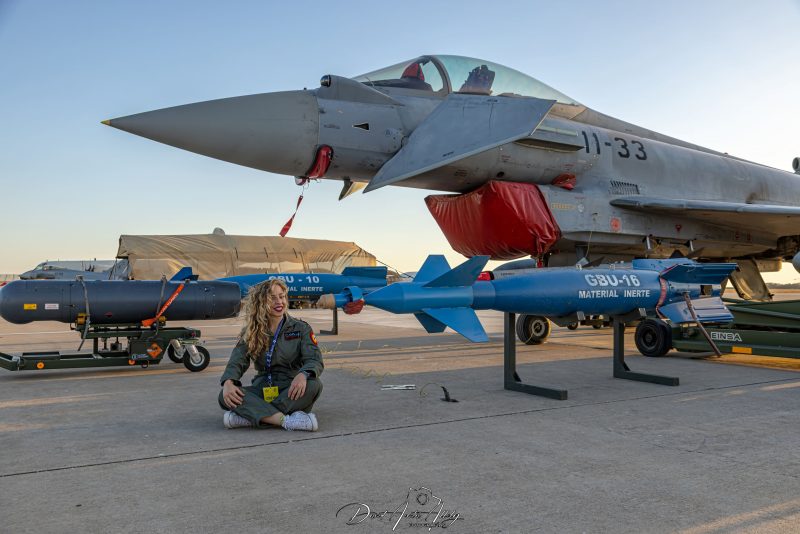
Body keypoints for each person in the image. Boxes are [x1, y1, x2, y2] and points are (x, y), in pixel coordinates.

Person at [218, 278, 323, 430]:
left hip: (291, 389)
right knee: (225, 396)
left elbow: (314, 359)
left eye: (282, 296)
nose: (279, 302)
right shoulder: (251, 331)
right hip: (263, 387)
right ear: (261, 302)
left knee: (314, 385)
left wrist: (303, 374)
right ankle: (285, 420)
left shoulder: (301, 328)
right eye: (272, 298)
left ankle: (252, 416)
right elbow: (237, 361)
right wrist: (228, 382)